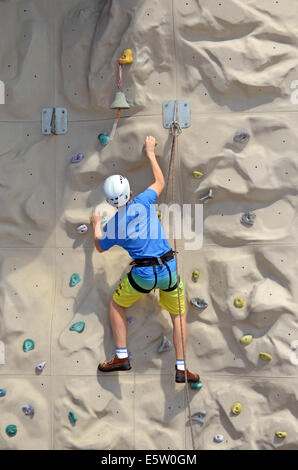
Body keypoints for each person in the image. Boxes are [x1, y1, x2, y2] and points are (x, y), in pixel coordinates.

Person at [91, 136, 199, 384]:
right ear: (130, 192)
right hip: (168, 269)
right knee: (178, 314)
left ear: (110, 202)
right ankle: (181, 367)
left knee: (117, 305)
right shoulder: (143, 201)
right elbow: (160, 181)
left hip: (143, 275)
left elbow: (99, 246)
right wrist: (150, 152)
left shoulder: (115, 225)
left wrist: (97, 225)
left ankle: (121, 356)